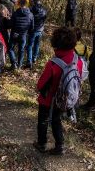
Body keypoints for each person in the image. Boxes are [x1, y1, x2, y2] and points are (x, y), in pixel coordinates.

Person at [34, 27, 84, 155]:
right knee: (56, 120)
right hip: (65, 98)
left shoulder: (53, 63)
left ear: (56, 44)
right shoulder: (77, 60)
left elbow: (41, 84)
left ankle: (41, 143)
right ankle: (60, 145)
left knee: (43, 120)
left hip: (48, 99)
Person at [10, 0, 35, 69]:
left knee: (10, 49)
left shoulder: (15, 13)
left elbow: (11, 24)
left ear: (19, 3)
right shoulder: (30, 14)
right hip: (23, 35)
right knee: (21, 50)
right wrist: (27, 32)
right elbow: (32, 27)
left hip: (14, 34)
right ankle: (19, 65)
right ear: (26, 3)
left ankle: (14, 63)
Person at [28, 0, 48, 68]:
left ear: (34, 3)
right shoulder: (44, 10)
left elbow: (29, 19)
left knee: (30, 46)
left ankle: (29, 61)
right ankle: (34, 58)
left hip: (33, 30)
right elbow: (44, 19)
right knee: (37, 44)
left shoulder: (31, 9)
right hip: (40, 30)